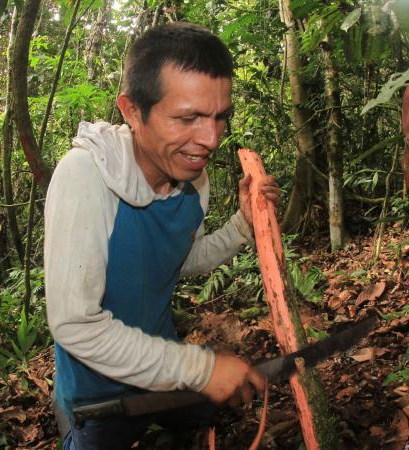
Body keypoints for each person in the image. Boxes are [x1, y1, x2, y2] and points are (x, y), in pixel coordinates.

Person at [44, 22, 281, 450]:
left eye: (219, 117)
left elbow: (176, 261)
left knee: (215, 411)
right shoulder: (85, 178)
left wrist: (243, 226)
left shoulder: (193, 178)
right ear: (133, 110)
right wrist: (201, 369)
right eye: (188, 117)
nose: (209, 140)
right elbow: (74, 323)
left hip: (162, 368)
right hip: (99, 395)